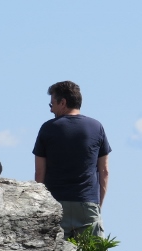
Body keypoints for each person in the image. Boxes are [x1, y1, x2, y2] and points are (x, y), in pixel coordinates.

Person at [32, 81, 111, 239]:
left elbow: (40, 172)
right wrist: (97, 205)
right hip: (87, 202)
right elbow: (104, 171)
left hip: (55, 202)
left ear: (63, 103)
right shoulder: (96, 127)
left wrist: (40, 206)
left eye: (52, 104)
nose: (51, 109)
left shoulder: (48, 128)